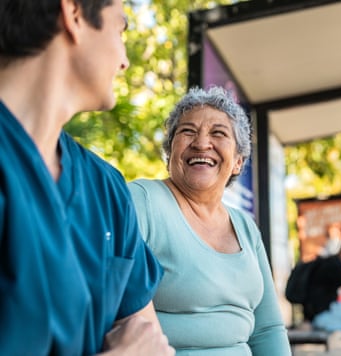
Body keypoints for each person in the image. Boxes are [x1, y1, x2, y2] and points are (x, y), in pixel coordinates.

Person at [0, 0, 174, 355]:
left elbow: (147, 337)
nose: (125, 60)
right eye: (121, 29)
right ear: (75, 14)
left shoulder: (106, 189)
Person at [128, 86, 291, 355]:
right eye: (187, 131)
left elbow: (267, 328)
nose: (202, 143)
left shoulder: (246, 226)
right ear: (170, 153)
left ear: (238, 161)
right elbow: (112, 308)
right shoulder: (142, 201)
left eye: (218, 133)